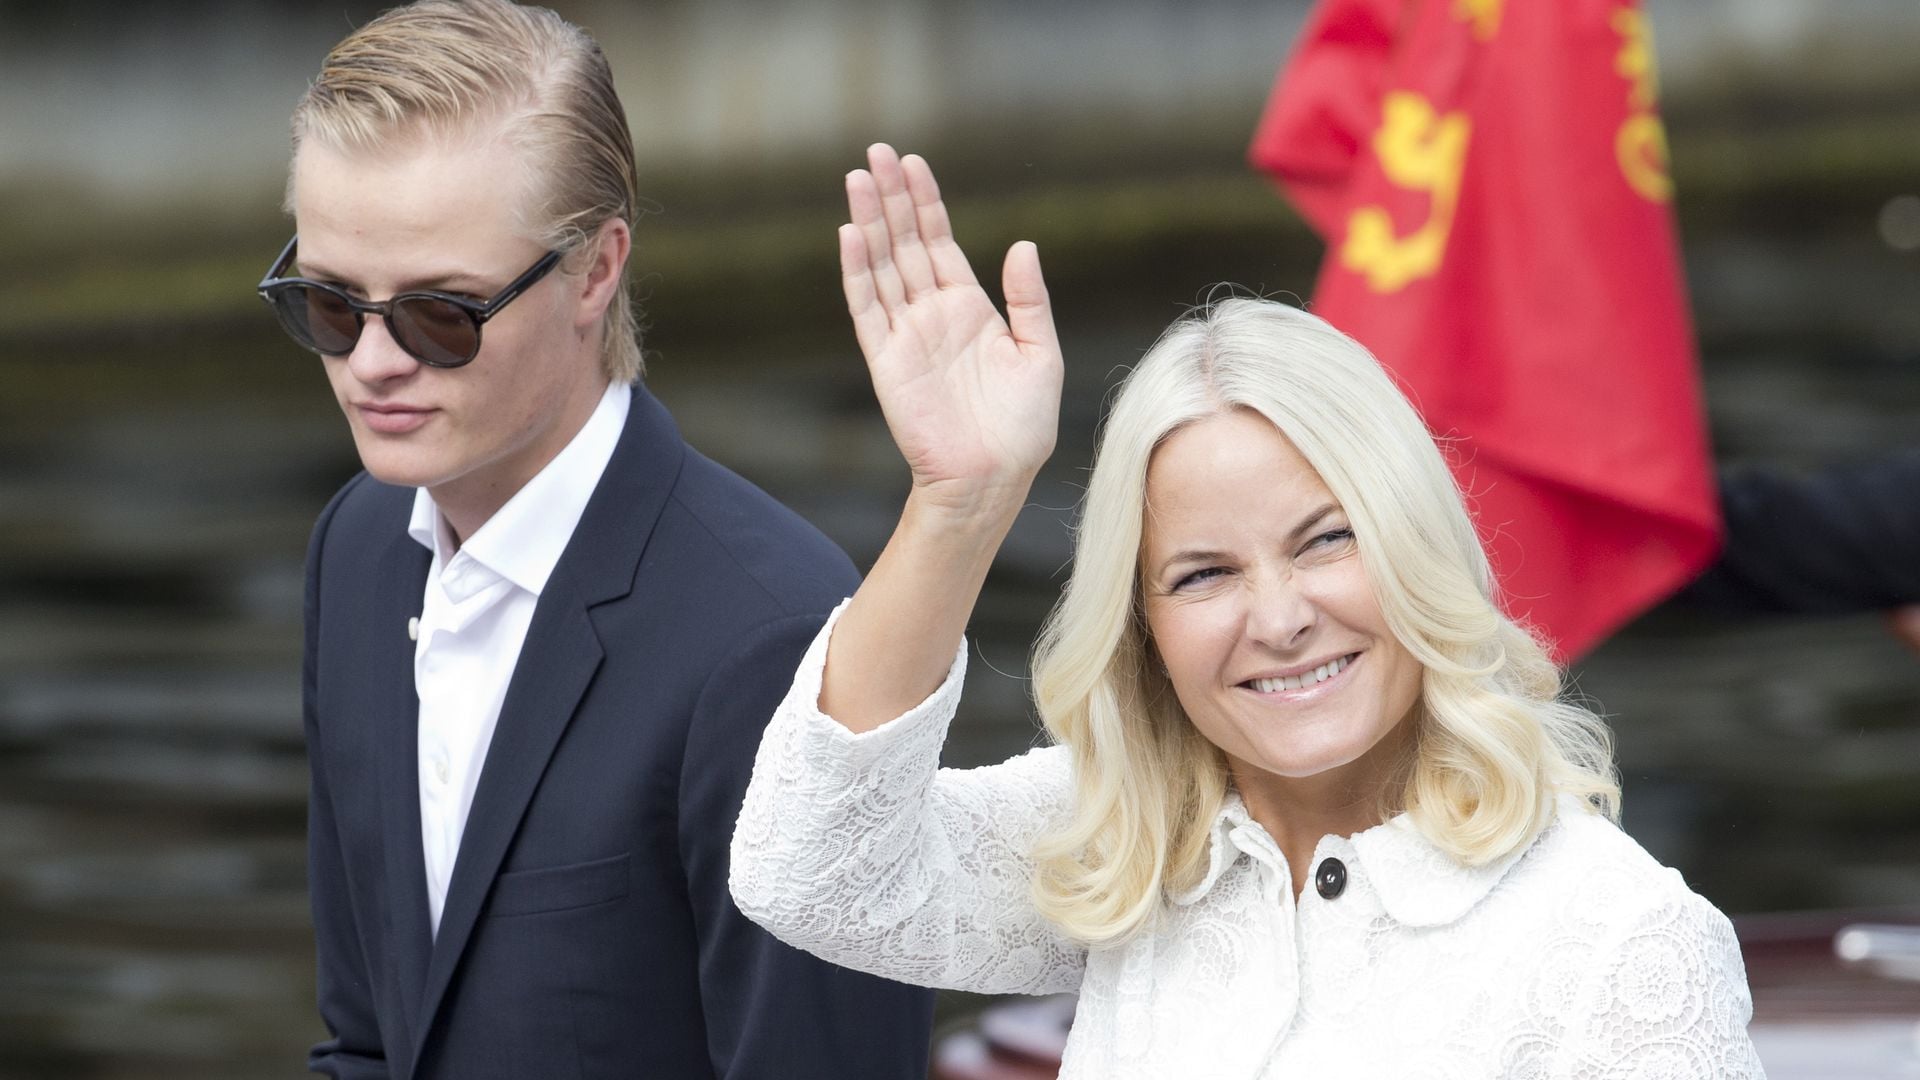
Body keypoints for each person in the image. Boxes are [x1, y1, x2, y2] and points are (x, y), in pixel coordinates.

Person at [729, 144, 1766, 1077]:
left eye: (1324, 541)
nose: (1278, 619)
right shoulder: (1122, 843)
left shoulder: (1624, 940)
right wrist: (962, 503)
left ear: (1416, 543)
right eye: (1202, 576)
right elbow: (811, 873)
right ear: (1145, 637)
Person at [266, 3, 933, 1077]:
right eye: (330, 304)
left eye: (441, 313)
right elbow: (366, 1039)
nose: (371, 364)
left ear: (594, 271)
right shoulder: (355, 550)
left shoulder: (770, 635)